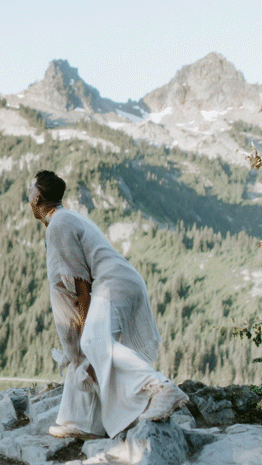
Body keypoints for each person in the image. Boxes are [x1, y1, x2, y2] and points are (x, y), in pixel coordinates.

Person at [29, 170, 189, 439]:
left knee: (92, 340)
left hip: (114, 284)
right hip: (121, 282)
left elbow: (80, 284)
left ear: (38, 197)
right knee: (87, 347)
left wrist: (83, 324)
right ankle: (82, 423)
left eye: (31, 190)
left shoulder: (59, 224)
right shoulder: (66, 219)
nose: (28, 195)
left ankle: (158, 387)